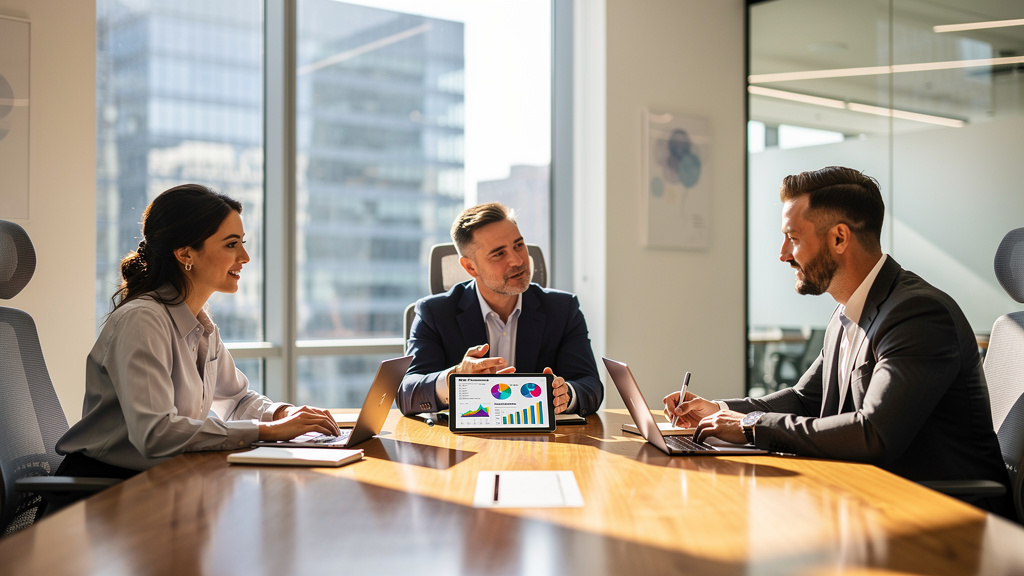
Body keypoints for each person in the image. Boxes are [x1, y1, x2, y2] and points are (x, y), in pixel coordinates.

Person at [664, 166, 1013, 516]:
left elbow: (873, 433)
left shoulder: (918, 314)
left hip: (947, 520)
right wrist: (721, 412)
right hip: (870, 501)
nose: (783, 254)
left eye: (794, 238)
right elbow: (804, 400)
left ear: (839, 239)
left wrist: (751, 426)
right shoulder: (849, 311)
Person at [56, 184, 341, 479]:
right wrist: (267, 431)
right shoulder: (143, 320)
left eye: (242, 242)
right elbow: (156, 433)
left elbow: (237, 400)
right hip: (106, 490)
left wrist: (283, 415)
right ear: (185, 254)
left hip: (164, 479)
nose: (244, 257)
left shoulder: (200, 325)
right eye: (231, 244)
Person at [398, 202, 603, 417]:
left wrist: (566, 395)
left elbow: (590, 385)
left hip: (542, 443)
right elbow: (407, 393)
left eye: (518, 245)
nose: (517, 260)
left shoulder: (563, 309)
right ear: (470, 267)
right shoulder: (434, 313)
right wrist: (455, 377)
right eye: (498, 254)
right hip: (465, 442)